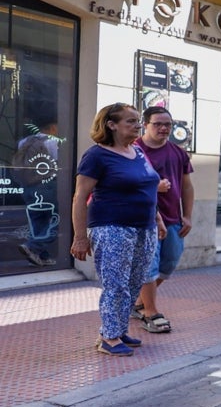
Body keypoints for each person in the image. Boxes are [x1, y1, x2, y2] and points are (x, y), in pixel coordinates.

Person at [70, 103, 165, 356]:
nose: (138, 125)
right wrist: (80, 237)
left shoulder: (137, 152)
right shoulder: (97, 155)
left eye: (137, 121)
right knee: (116, 285)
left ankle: (119, 330)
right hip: (112, 228)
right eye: (131, 121)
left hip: (144, 228)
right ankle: (108, 338)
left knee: (134, 283)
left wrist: (158, 219)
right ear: (111, 125)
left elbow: (146, 187)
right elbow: (80, 197)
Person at [132, 107, 194, 334]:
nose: (164, 128)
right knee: (150, 265)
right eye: (157, 124)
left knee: (169, 263)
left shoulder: (178, 152)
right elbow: (122, 183)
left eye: (167, 124)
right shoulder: (134, 150)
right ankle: (151, 311)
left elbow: (187, 186)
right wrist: (152, 186)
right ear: (145, 124)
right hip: (144, 219)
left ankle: (137, 300)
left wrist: (187, 215)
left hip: (173, 219)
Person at [16, 112, 61, 267]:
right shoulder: (52, 142)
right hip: (46, 186)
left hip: (28, 186)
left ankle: (42, 256)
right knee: (58, 220)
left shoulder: (24, 142)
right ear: (53, 127)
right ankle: (33, 246)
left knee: (38, 222)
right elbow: (59, 165)